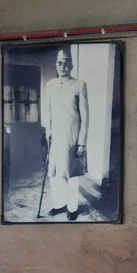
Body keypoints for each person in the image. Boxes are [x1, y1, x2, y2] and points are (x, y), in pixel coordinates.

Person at [42, 49, 89, 220]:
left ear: (72, 66)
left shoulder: (79, 85)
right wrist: (48, 131)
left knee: (72, 175)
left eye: (67, 63)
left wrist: (82, 142)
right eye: (60, 63)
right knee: (55, 175)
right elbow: (47, 111)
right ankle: (59, 204)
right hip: (55, 138)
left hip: (72, 137)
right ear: (56, 65)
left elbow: (85, 116)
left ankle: (72, 208)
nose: (63, 66)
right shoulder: (50, 85)